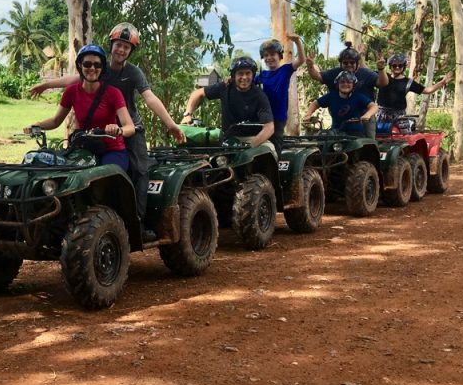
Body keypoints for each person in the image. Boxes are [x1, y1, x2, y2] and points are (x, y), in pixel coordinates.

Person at [29, 23, 184, 239]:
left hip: (129, 129)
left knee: (139, 171)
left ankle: (137, 222)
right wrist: (46, 85)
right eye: (118, 45)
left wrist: (171, 124)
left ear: (130, 51)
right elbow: (74, 80)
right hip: (95, 135)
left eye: (126, 47)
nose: (121, 50)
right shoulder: (100, 66)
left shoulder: (133, 73)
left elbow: (149, 97)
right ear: (111, 46)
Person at [24, 44, 136, 172]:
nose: (92, 68)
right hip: (85, 149)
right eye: (87, 64)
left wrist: (118, 130)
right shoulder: (71, 92)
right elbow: (55, 121)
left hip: (111, 150)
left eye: (97, 65)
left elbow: (130, 127)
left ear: (102, 68)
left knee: (107, 177)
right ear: (80, 66)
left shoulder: (113, 93)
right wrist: (36, 126)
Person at [181, 55, 277, 153]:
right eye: (240, 73)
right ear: (233, 75)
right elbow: (197, 93)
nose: (244, 77)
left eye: (248, 73)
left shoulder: (259, 96)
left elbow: (269, 128)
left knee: (268, 151)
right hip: (227, 138)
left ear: (253, 75)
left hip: (252, 138)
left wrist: (249, 146)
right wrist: (187, 114)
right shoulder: (225, 87)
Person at [306, 42, 385, 138]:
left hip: (364, 117)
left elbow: (382, 84)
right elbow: (317, 77)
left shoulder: (362, 84)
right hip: (339, 122)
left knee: (369, 143)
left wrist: (381, 68)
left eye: (352, 62)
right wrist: (310, 65)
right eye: (345, 62)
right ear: (337, 82)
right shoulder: (333, 90)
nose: (349, 65)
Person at [258, 33, 306, 138]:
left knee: (276, 146)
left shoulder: (285, 70)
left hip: (278, 118)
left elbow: (301, 60)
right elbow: (245, 82)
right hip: (263, 118)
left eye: (272, 54)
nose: (269, 58)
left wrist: (297, 42)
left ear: (279, 56)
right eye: (266, 55)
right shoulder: (261, 76)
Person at [375, 53, 452, 119]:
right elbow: (366, 74)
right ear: (390, 66)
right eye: (394, 65)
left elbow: (427, 90)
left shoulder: (408, 82)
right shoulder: (382, 76)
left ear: (404, 67)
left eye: (400, 65)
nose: (397, 67)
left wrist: (442, 82)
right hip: (381, 115)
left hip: (398, 117)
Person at [303, 70, 378, 136]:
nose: (345, 84)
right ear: (337, 84)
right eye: (342, 82)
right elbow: (315, 103)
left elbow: (374, 106)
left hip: (355, 134)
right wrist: (308, 114)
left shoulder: (358, 97)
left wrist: (367, 115)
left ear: (353, 85)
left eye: (349, 82)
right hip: (336, 133)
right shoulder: (331, 96)